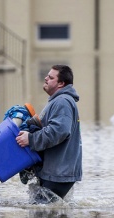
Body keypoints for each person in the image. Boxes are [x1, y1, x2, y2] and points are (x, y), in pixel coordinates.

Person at [16, 64, 82, 203]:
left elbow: (60, 131)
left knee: (41, 213)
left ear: (61, 83)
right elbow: (51, 127)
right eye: (47, 75)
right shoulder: (57, 101)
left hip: (59, 172)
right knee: (45, 214)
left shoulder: (63, 101)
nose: (45, 78)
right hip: (56, 171)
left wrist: (32, 139)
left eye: (51, 77)